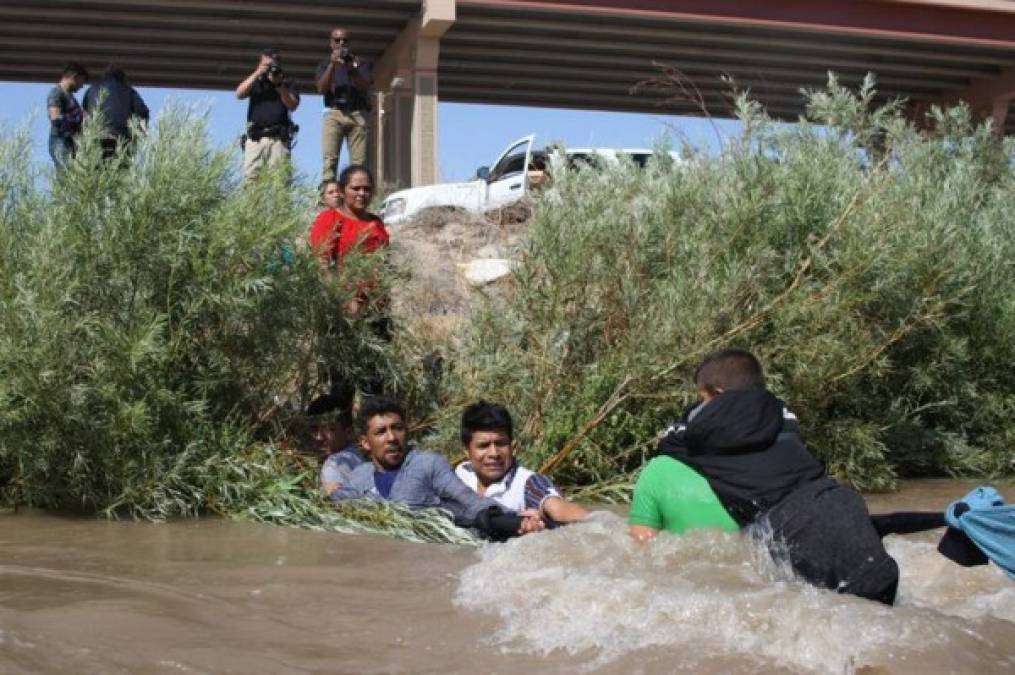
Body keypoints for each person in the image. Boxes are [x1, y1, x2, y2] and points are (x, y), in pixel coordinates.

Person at [655, 348, 903, 604]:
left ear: (717, 395)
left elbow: (669, 440)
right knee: (880, 610)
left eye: (701, 397)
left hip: (793, 526)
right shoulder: (783, 415)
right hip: (841, 503)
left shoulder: (705, 431)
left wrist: (690, 417)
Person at [330, 396, 544, 539]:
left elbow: (467, 500)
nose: (392, 438)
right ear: (365, 442)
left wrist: (517, 521)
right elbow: (339, 504)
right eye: (381, 432)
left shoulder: (427, 464)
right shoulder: (358, 478)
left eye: (398, 428)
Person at [455, 401, 588, 526]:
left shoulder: (528, 483)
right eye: (484, 446)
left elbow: (556, 507)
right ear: (467, 450)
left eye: (501, 444)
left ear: (511, 445)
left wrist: (596, 522)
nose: (494, 453)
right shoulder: (462, 473)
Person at [309, 165, 390, 317]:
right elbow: (321, 264)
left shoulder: (376, 222)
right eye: (355, 188)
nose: (362, 193)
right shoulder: (330, 219)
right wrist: (345, 301)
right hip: (344, 308)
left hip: (377, 308)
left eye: (367, 189)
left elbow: (384, 262)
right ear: (342, 190)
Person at [316, 27, 372, 181]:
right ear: (331, 43)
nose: (341, 43)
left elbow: (365, 86)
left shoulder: (361, 63)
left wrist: (351, 69)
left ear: (350, 43)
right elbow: (321, 88)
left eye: (345, 40)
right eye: (337, 40)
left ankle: (355, 197)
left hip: (357, 113)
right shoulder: (325, 63)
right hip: (334, 113)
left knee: (359, 163)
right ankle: (326, 198)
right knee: (330, 160)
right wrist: (332, 66)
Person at [235, 48, 300, 182]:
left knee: (280, 184)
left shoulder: (286, 83)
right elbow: (239, 94)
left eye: (273, 65)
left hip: (278, 140)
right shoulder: (256, 81)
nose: (270, 69)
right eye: (267, 65)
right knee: (252, 183)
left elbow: (292, 105)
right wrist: (258, 73)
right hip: (255, 139)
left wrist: (279, 85)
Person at [302, 392, 364, 497]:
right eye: (314, 429)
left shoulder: (333, 466)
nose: (318, 437)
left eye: (330, 429)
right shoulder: (369, 455)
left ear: (349, 432)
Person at [82, 66, 149, 159]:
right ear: (122, 78)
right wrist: (139, 135)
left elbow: (85, 116)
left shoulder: (90, 90)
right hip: (119, 139)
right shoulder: (128, 90)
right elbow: (143, 112)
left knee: (95, 171)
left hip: (96, 137)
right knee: (120, 171)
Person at [46, 62, 88, 166]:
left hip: (70, 145)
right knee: (65, 176)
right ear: (75, 76)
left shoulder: (69, 96)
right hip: (61, 143)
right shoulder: (56, 93)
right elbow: (56, 119)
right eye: (82, 81)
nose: (82, 86)